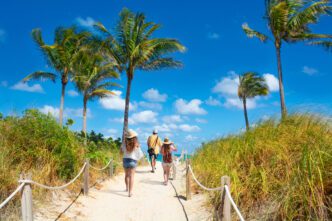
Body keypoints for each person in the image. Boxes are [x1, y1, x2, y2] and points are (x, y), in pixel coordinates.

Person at [121, 129, 141, 197]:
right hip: (133, 161)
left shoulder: (124, 143)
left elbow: (121, 151)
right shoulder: (136, 144)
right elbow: (139, 154)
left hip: (125, 160)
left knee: (126, 175)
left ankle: (127, 188)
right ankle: (130, 192)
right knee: (131, 176)